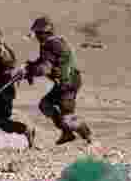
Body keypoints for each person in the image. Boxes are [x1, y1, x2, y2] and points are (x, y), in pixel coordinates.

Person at [22, 16, 93, 145]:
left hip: (68, 82)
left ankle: (90, 138)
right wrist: (31, 66)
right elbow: (44, 62)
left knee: (68, 117)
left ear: (44, 32)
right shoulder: (48, 44)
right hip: (64, 82)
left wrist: (32, 71)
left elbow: (48, 66)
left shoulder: (52, 43)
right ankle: (67, 133)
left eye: (38, 33)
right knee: (45, 105)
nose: (37, 36)